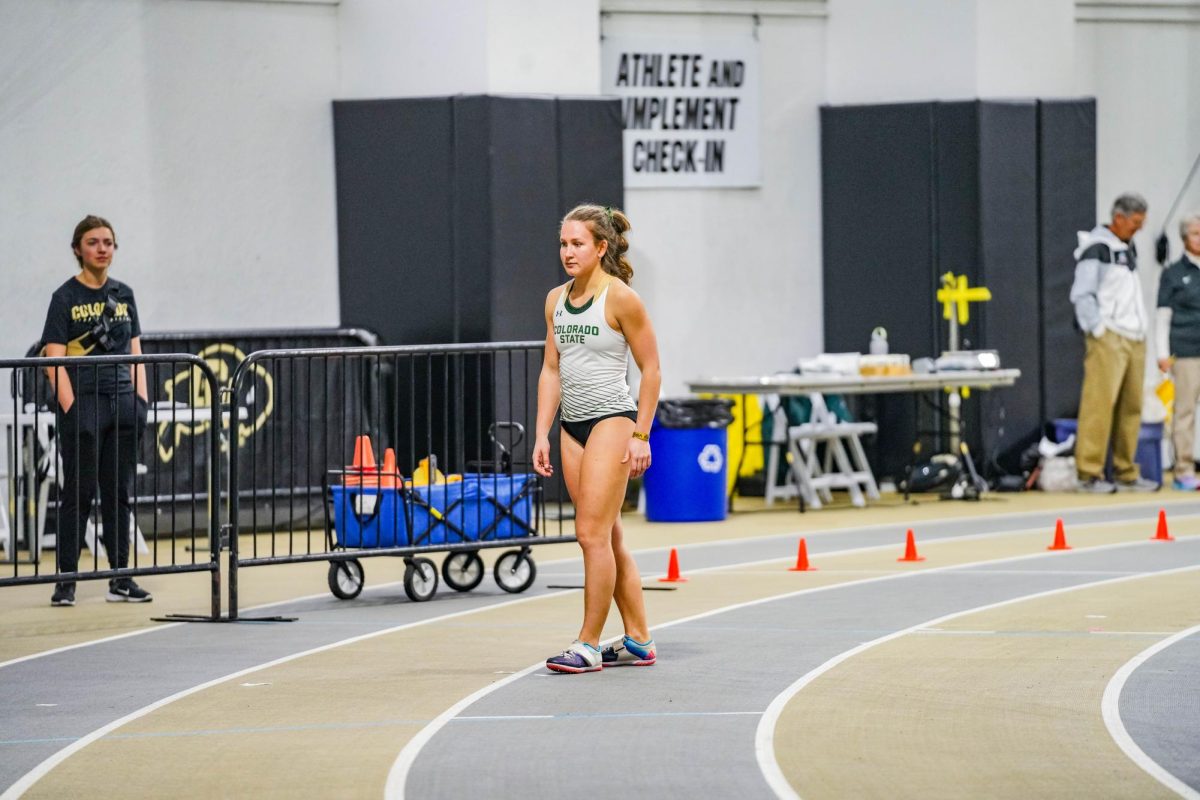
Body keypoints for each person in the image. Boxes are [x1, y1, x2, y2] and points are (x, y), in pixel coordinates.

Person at [533, 204, 661, 673]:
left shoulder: (621, 298)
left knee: (589, 535)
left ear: (600, 247)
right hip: (573, 426)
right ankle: (640, 639)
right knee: (607, 535)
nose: (568, 252)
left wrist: (641, 434)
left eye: (577, 244)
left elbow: (651, 370)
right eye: (563, 244)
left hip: (613, 419)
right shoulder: (555, 300)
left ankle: (588, 644)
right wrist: (543, 432)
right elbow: (551, 368)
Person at [41, 215, 152, 606]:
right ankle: (66, 582)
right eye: (93, 242)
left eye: (108, 242)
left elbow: (136, 352)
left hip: (122, 404)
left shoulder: (124, 295)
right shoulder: (64, 298)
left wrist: (140, 403)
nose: (102, 248)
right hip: (84, 404)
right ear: (78, 249)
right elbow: (52, 358)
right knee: (78, 494)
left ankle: (121, 578)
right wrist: (71, 410)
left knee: (118, 493)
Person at [1069, 193, 1159, 494]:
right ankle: (1089, 472)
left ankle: (1125, 471)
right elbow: (1082, 293)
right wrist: (1097, 330)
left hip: (1134, 336)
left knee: (1131, 406)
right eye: (1135, 223)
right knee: (1099, 403)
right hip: (1110, 336)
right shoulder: (1097, 247)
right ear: (1118, 217)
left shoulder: (1127, 248)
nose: (1139, 229)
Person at [1155, 212, 1200, 490]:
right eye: (1196, 233)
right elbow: (1163, 316)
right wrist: (1162, 353)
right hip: (1185, 352)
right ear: (1185, 238)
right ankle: (1183, 469)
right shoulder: (1173, 273)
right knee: (1184, 412)